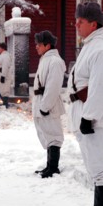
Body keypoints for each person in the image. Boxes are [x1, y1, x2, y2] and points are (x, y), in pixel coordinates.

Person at [67, 2, 103, 206]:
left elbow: (98, 86)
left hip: (94, 116)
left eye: (81, 20)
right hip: (86, 112)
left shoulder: (101, 49)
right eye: (76, 19)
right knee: (94, 167)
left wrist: (89, 117)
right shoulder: (92, 46)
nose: (76, 23)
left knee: (101, 168)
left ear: (93, 23)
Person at [32, 30, 66, 178]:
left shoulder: (55, 62)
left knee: (54, 135)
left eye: (39, 44)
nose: (36, 47)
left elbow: (53, 86)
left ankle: (53, 167)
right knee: (46, 134)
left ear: (47, 45)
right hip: (42, 102)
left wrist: (45, 106)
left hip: (49, 105)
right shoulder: (45, 59)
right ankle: (49, 166)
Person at [0, 42, 11, 108]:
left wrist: (3, 76)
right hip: (0, 74)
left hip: (4, 75)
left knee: (4, 91)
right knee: (0, 90)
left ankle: (4, 104)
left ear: (2, 48)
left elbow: (5, 66)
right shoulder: (2, 55)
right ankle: (1, 104)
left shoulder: (5, 56)